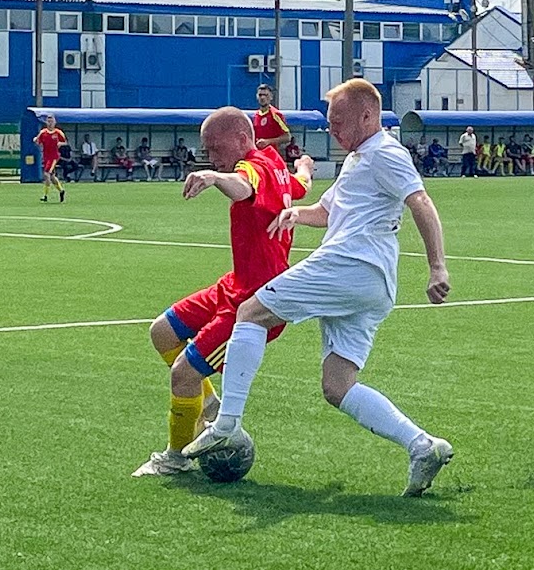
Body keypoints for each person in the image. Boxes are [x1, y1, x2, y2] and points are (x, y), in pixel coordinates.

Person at [183, 79, 453, 497]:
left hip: (352, 264)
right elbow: (328, 211)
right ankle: (423, 446)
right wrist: (295, 214)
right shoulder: (359, 157)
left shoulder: (386, 152)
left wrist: (437, 267)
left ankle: (226, 424)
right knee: (338, 385)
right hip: (372, 283)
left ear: (368, 116)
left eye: (338, 121)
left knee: (250, 312)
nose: (331, 130)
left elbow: (420, 201)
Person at [132, 106, 314, 477]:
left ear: (242, 140)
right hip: (235, 284)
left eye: (215, 149)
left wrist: (216, 177)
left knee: (183, 374)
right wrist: (306, 166)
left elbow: (244, 187)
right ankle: (210, 404)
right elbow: (301, 184)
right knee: (162, 332)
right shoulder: (275, 165)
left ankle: (176, 458)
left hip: (255, 302)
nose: (212, 156)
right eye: (208, 151)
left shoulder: (254, 167)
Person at [34, 115, 66, 202]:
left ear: (55, 122)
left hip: (54, 157)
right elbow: (38, 141)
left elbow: (65, 142)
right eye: (48, 121)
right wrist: (36, 140)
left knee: (46, 174)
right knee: (52, 177)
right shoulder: (43, 132)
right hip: (46, 157)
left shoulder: (58, 132)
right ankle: (61, 190)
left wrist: (60, 144)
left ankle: (45, 195)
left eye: (52, 121)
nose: (50, 123)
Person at [252, 84, 291, 150]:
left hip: (271, 154)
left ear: (271, 97)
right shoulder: (256, 115)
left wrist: (268, 141)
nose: (262, 98)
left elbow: (287, 137)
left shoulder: (275, 114)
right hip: (258, 153)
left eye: (266, 95)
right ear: (257, 97)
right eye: (260, 95)